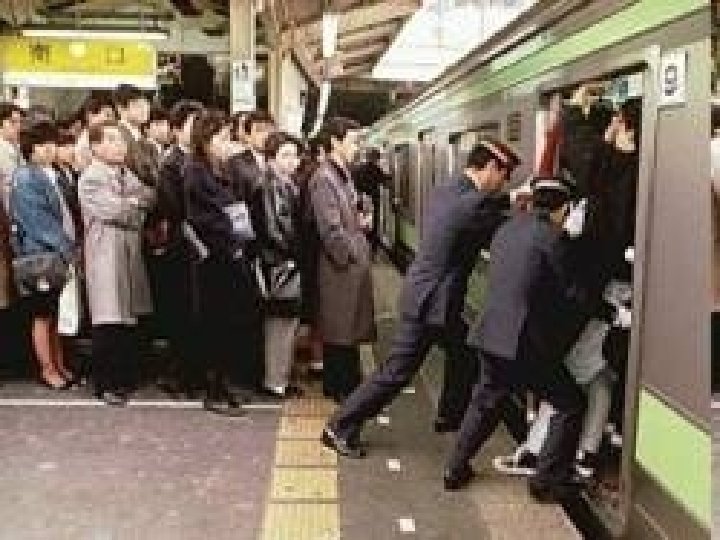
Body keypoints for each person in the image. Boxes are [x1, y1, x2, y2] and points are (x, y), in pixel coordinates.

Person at [321, 140, 520, 458]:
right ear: (491, 168)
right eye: (504, 176)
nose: (503, 184)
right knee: (397, 372)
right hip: (431, 302)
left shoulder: (448, 190)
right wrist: (522, 204)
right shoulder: (467, 203)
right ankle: (339, 426)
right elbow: (481, 215)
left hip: (434, 298)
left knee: (464, 354)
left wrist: (509, 202)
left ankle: (450, 417)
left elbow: (477, 212)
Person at [443, 176, 589, 504]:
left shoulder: (506, 230)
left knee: (485, 401)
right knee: (570, 403)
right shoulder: (554, 238)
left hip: (490, 333)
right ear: (563, 209)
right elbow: (570, 293)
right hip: (525, 344)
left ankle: (454, 468)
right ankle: (546, 480)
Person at [79, 121, 156, 406]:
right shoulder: (91, 177)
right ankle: (105, 384)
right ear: (95, 147)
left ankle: (123, 378)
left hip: (129, 253)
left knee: (127, 318)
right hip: (105, 254)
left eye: (121, 140)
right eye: (110, 140)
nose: (119, 145)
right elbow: (113, 211)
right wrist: (133, 206)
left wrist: (132, 205)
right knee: (108, 319)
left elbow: (150, 197)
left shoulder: (126, 173)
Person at [183, 110, 254, 416]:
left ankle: (223, 385)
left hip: (228, 255)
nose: (227, 144)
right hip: (212, 259)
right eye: (222, 138)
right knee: (214, 324)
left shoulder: (219, 168)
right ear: (206, 139)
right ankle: (214, 391)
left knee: (228, 324)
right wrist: (231, 230)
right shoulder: (195, 171)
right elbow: (205, 217)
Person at [310, 117, 375, 403]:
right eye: (353, 141)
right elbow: (330, 229)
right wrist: (352, 253)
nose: (357, 147)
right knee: (339, 330)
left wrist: (360, 224)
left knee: (347, 330)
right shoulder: (324, 178)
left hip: (348, 267)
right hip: (339, 269)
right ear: (335, 142)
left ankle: (346, 385)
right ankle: (338, 388)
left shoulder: (342, 175)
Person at [10, 121, 78, 389]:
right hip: (40, 254)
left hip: (56, 252)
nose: (49, 148)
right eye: (41, 145)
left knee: (55, 312)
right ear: (31, 149)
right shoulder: (26, 178)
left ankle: (58, 364)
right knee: (42, 313)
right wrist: (67, 248)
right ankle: (47, 368)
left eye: (51, 143)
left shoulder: (53, 173)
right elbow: (39, 223)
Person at [154, 100, 204, 396]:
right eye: (192, 124)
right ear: (176, 129)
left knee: (196, 313)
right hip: (181, 243)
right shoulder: (171, 163)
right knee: (182, 312)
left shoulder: (196, 159)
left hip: (198, 244)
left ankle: (193, 372)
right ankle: (179, 375)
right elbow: (172, 206)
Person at [256, 132, 305, 399]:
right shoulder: (270, 186)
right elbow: (274, 229)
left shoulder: (285, 184)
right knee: (280, 324)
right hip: (279, 264)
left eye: (294, 155)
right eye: (285, 155)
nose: (292, 161)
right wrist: (293, 254)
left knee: (287, 323)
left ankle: (281, 378)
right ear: (271, 158)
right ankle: (275, 381)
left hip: (283, 262)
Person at [352, 147, 391, 259]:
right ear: (376, 158)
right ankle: (372, 252)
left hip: (360, 203)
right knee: (374, 227)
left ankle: (362, 249)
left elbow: (354, 184)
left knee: (362, 226)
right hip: (373, 203)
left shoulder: (358, 169)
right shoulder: (376, 169)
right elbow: (385, 181)